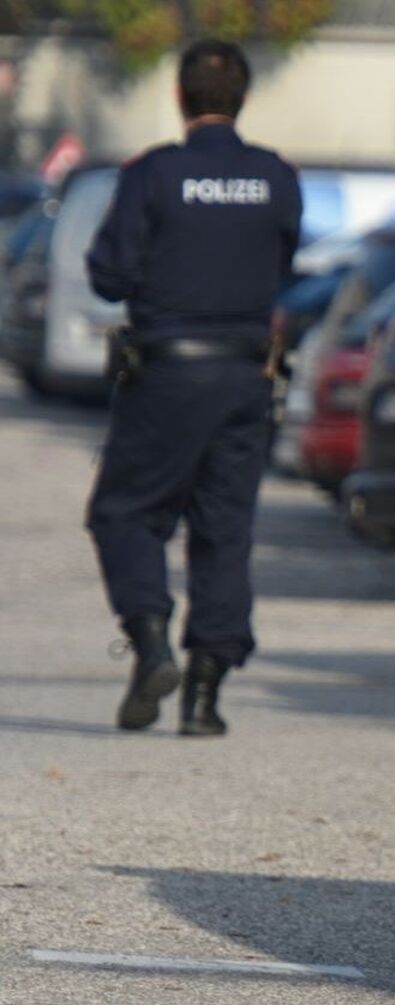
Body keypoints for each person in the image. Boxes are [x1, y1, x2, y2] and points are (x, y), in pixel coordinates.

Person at [85, 39, 302, 737]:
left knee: (124, 512)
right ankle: (204, 694)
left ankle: (150, 642)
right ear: (242, 100)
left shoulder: (155, 173)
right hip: (246, 376)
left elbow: (108, 277)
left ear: (181, 99)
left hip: (167, 373)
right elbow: (286, 259)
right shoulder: (274, 177)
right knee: (225, 531)